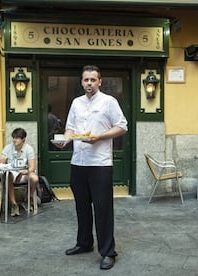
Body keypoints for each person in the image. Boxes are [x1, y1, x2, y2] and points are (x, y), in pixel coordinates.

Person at [59, 65, 128, 270]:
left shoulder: (109, 102)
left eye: (92, 79)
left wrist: (100, 136)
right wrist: (64, 140)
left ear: (100, 81)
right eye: (85, 80)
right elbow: (70, 127)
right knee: (81, 207)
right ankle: (84, 243)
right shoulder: (76, 103)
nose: (89, 83)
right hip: (78, 162)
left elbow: (122, 126)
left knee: (102, 209)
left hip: (99, 164)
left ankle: (108, 252)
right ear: (82, 82)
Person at [0, 128, 39, 216]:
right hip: (11, 172)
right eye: (13, 138)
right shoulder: (8, 147)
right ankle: (14, 204)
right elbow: (1, 161)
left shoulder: (28, 149)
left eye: (17, 138)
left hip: (23, 172)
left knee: (35, 178)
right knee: (8, 175)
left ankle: (28, 197)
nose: (14, 140)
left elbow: (32, 167)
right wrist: (2, 159)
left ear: (23, 139)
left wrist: (23, 173)